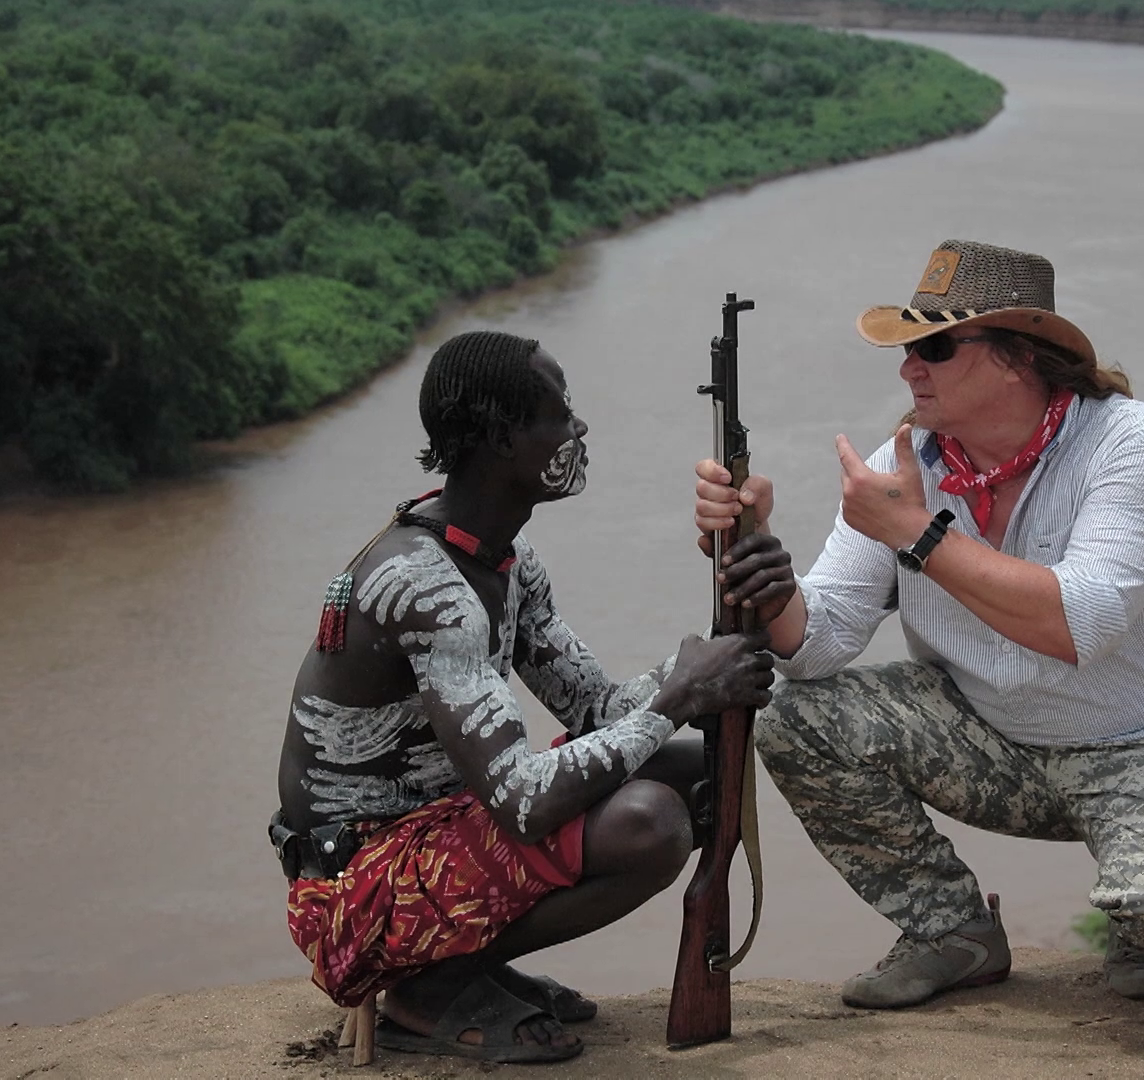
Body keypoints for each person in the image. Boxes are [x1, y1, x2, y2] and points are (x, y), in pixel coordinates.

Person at [695, 240, 1144, 1009]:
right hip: (996, 745)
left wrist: (917, 532)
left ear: (1017, 357)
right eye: (910, 347)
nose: (910, 368)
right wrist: (754, 551)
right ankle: (950, 930)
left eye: (935, 346)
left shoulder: (1130, 446)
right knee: (795, 716)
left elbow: (1078, 625)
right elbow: (815, 645)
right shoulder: (907, 464)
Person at [272, 329, 776, 1064]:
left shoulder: (502, 559)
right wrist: (679, 692)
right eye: (558, 413)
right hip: (360, 894)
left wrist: (711, 655)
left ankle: (464, 964)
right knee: (652, 821)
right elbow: (524, 800)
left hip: (436, 834)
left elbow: (597, 710)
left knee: (703, 771)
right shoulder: (428, 586)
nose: (578, 430)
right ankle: (427, 984)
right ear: (503, 438)